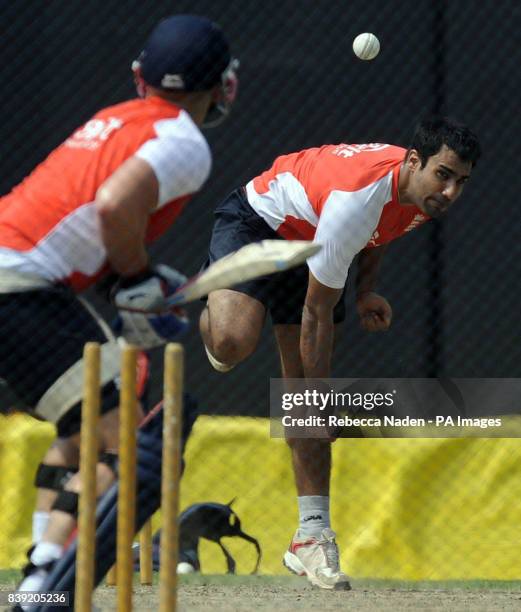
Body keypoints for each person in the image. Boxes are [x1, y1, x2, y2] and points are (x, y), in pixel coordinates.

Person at [0, 14, 238, 594]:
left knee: (83, 430)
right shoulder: (182, 139)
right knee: (127, 447)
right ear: (222, 85)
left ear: (140, 75)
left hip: (22, 280)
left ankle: (40, 568)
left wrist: (128, 282)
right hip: (20, 287)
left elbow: (79, 215)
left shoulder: (111, 119)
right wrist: (135, 278)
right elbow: (111, 208)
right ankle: (44, 591)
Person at [200, 116, 481, 590]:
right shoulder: (360, 198)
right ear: (415, 162)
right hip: (259, 222)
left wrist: (365, 291)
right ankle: (206, 305)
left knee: (297, 398)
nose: (451, 191)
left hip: (313, 239)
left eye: (462, 182)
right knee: (233, 345)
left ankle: (311, 536)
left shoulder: (418, 194)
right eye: (444, 174)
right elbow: (316, 311)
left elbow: (378, 235)